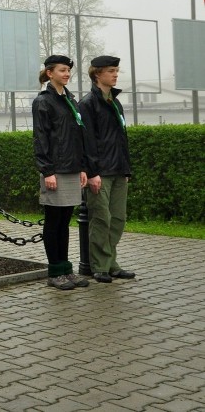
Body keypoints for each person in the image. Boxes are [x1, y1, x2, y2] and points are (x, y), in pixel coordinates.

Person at [32, 55, 90, 291]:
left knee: (65, 221)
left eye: (68, 71)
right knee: (53, 221)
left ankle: (66, 269)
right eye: (62, 70)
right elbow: (41, 138)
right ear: (49, 73)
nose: (67, 74)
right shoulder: (43, 102)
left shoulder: (70, 100)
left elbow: (79, 137)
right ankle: (54, 271)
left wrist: (83, 167)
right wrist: (47, 171)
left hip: (72, 168)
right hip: (54, 170)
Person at [78, 55, 135, 284]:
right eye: (111, 70)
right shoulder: (88, 103)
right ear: (97, 73)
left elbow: (122, 137)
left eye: (116, 70)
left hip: (119, 170)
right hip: (100, 172)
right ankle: (100, 265)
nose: (115, 74)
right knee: (101, 219)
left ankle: (111, 263)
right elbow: (87, 141)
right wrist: (92, 172)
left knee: (118, 219)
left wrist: (127, 168)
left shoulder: (115, 101)